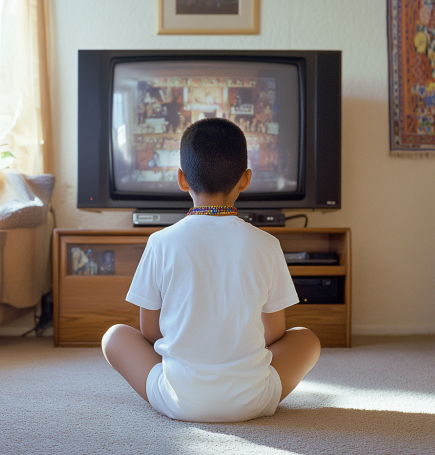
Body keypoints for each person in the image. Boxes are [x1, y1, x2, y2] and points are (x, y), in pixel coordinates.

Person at [101, 118, 320, 423]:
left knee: (115, 337)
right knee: (307, 339)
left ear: (182, 179)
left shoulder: (160, 242)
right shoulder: (267, 244)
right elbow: (275, 333)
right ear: (245, 180)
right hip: (253, 399)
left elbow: (150, 332)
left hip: (178, 399)